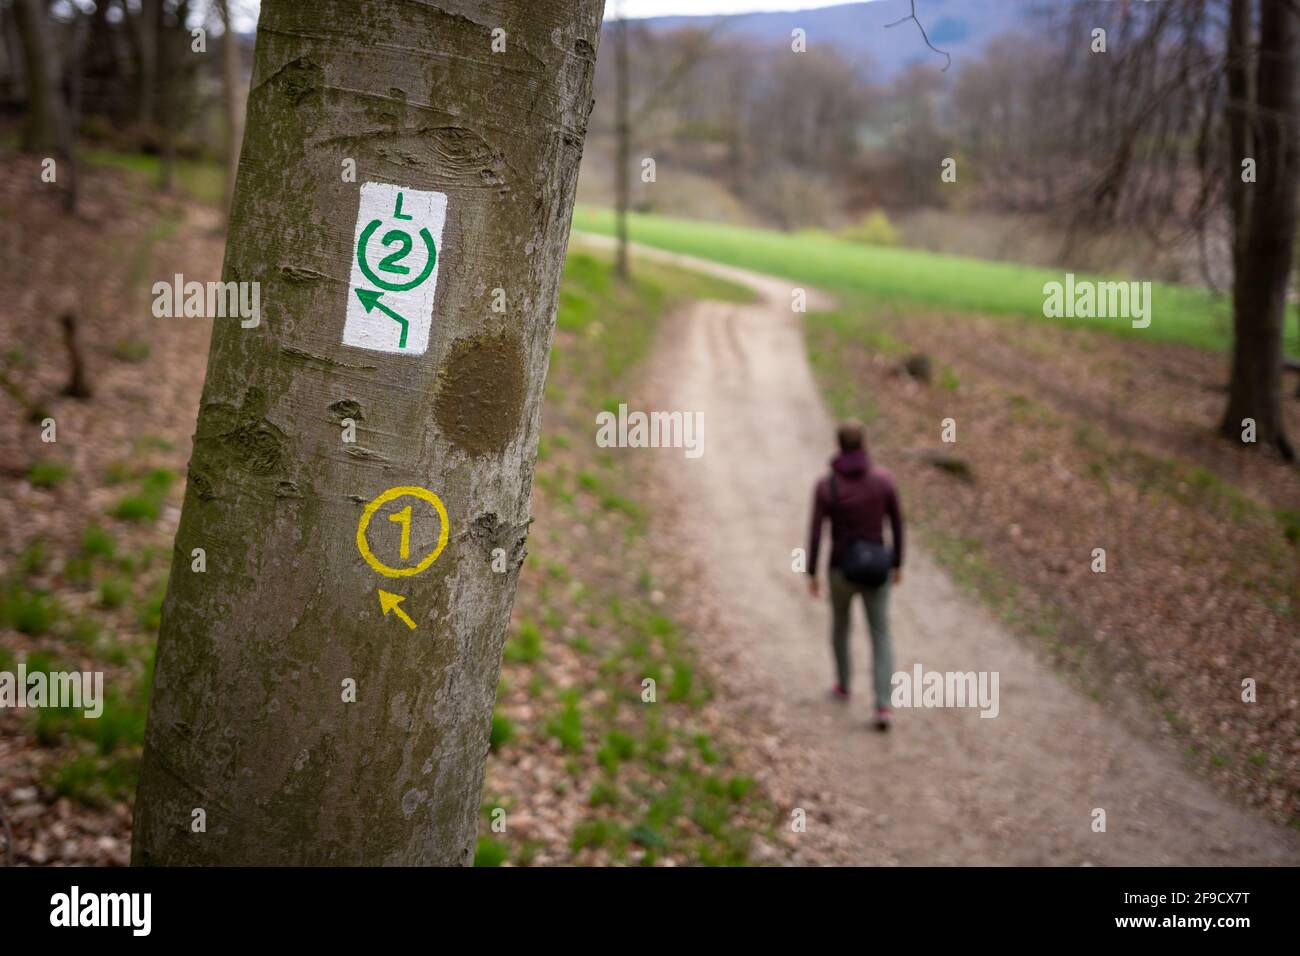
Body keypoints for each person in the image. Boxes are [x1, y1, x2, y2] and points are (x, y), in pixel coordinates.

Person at [806, 420, 904, 731]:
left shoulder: (826, 485)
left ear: (838, 445)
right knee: (881, 634)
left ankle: (844, 684)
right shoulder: (884, 481)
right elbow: (898, 525)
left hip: (840, 569)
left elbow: (816, 532)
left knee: (841, 626)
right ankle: (883, 704)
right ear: (864, 444)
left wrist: (811, 571)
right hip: (877, 569)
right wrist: (897, 563)